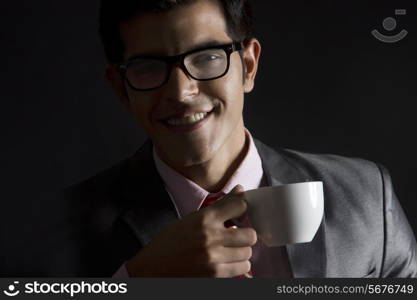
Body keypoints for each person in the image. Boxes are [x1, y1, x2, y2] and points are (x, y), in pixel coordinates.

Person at [60, 0, 417, 277]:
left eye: (206, 57)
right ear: (121, 89)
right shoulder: (60, 226)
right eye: (149, 67)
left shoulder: (367, 194)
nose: (181, 91)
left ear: (248, 66)